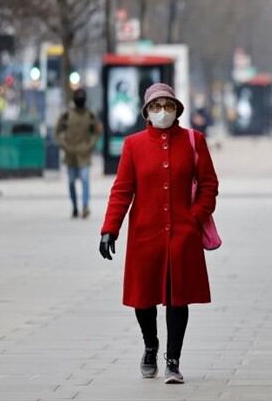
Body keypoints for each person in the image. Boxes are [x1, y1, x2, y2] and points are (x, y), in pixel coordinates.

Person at [99, 82, 219, 385]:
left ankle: (173, 360)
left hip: (183, 233)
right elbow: (122, 190)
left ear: (177, 109)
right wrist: (109, 229)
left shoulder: (195, 141)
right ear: (147, 113)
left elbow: (208, 185)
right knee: (144, 299)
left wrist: (195, 218)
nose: (162, 112)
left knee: (178, 298)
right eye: (156, 107)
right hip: (145, 234)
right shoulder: (134, 145)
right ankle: (150, 345)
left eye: (168, 106)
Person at [55, 88, 100, 219]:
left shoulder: (90, 115)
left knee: (85, 180)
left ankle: (85, 206)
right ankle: (75, 206)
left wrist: (90, 146)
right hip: (70, 155)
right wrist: (64, 145)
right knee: (71, 182)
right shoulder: (67, 115)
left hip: (84, 154)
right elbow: (58, 131)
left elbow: (96, 132)